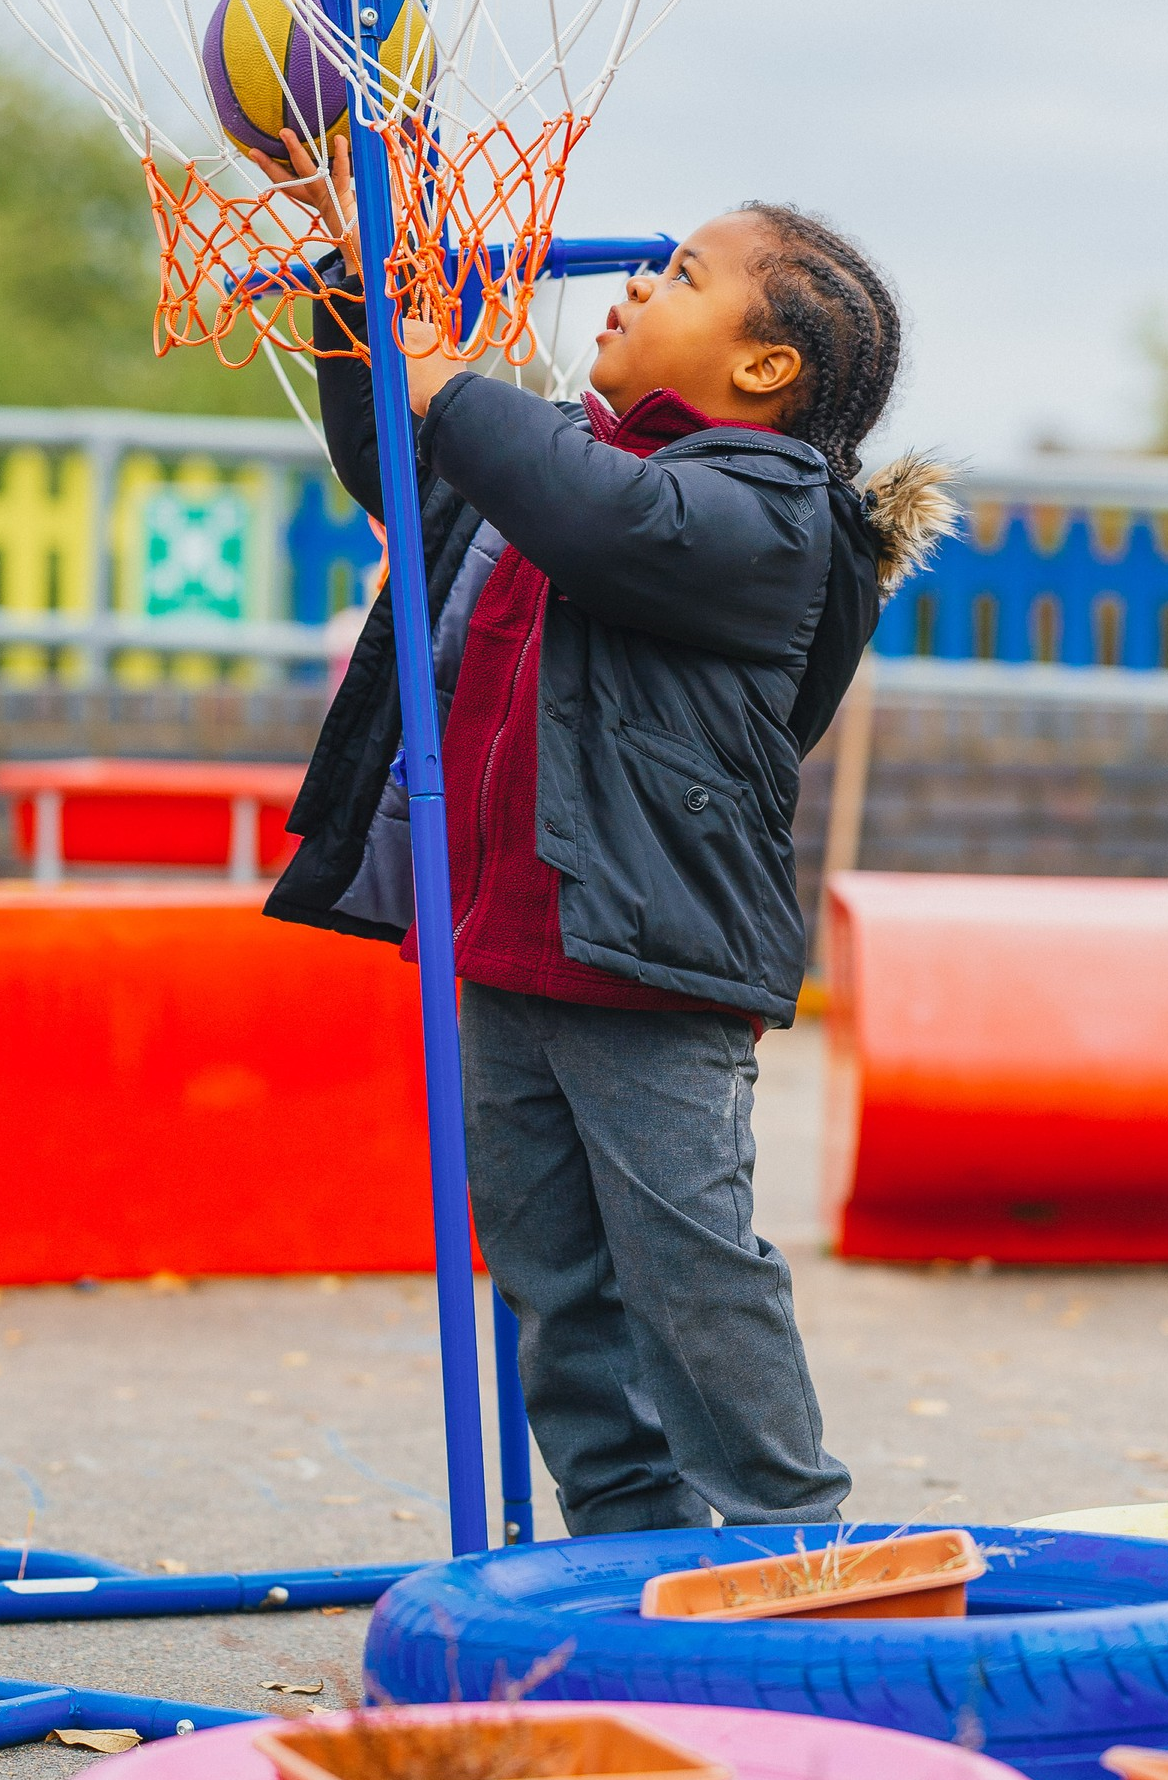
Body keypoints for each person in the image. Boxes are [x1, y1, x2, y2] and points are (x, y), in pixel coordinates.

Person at [263, 130, 954, 1535]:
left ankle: (786, 1537)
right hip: (507, 944)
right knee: (551, 1278)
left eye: (683, 275)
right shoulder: (555, 471)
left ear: (764, 369)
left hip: (651, 964)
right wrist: (356, 287)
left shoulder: (773, 518)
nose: (639, 283)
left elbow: (613, 519)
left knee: (687, 1265)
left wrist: (449, 371)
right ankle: (626, 1539)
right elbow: (392, 452)